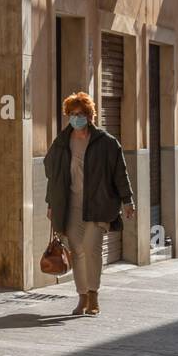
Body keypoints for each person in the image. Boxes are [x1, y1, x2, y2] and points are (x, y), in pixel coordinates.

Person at [44, 92, 136, 316]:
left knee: (91, 249)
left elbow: (120, 174)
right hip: (70, 205)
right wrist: (51, 203)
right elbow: (54, 176)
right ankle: (82, 297)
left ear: (90, 116)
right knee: (76, 251)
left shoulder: (107, 143)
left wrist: (127, 200)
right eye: (73, 114)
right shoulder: (62, 142)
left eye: (81, 114)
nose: (77, 118)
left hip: (98, 204)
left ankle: (94, 296)